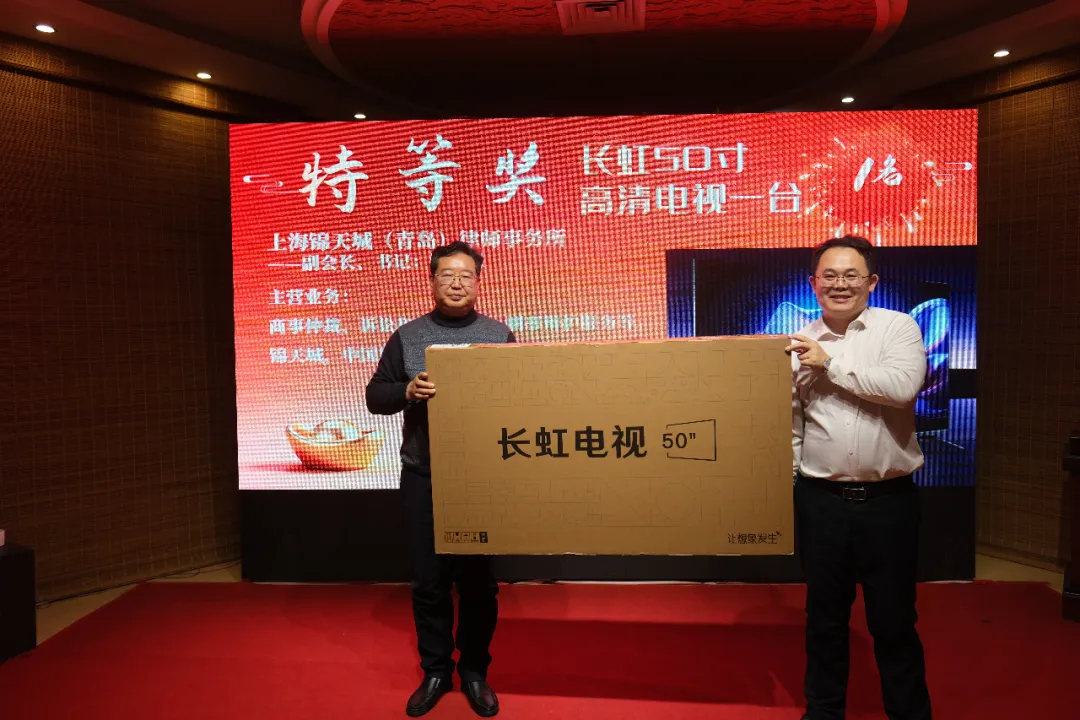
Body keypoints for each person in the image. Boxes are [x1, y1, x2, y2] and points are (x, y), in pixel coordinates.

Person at [786, 235, 932, 720]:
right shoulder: (797, 343)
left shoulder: (898, 328)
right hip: (821, 501)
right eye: (828, 275)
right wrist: (791, 483)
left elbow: (901, 387)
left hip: (889, 502)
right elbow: (792, 425)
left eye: (851, 275)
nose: (840, 284)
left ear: (871, 282)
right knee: (824, 620)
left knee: (894, 620)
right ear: (813, 283)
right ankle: (823, 712)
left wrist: (830, 364)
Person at [366, 242, 514, 718]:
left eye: (466, 275)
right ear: (432, 281)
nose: (456, 283)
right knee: (429, 583)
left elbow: (522, 397)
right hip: (424, 476)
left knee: (478, 585)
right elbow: (375, 396)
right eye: (447, 275)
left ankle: (473, 671)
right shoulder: (408, 336)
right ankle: (435, 670)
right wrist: (408, 390)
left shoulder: (498, 335)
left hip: (480, 478)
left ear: (478, 283)